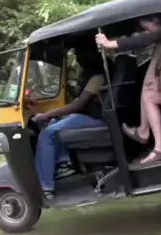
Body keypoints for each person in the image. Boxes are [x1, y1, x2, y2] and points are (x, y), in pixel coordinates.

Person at [95, 14, 161, 165]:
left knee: (150, 96)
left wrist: (111, 43)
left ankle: (159, 145)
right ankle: (144, 131)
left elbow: (146, 40)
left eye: (146, 28)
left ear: (155, 22)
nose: (146, 32)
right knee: (149, 91)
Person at [31, 46, 106, 199]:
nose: (78, 60)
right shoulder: (89, 75)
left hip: (96, 119)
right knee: (52, 123)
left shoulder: (97, 76)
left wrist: (45, 115)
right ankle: (63, 163)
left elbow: (78, 104)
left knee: (47, 134)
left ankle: (46, 186)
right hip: (87, 116)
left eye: (80, 56)